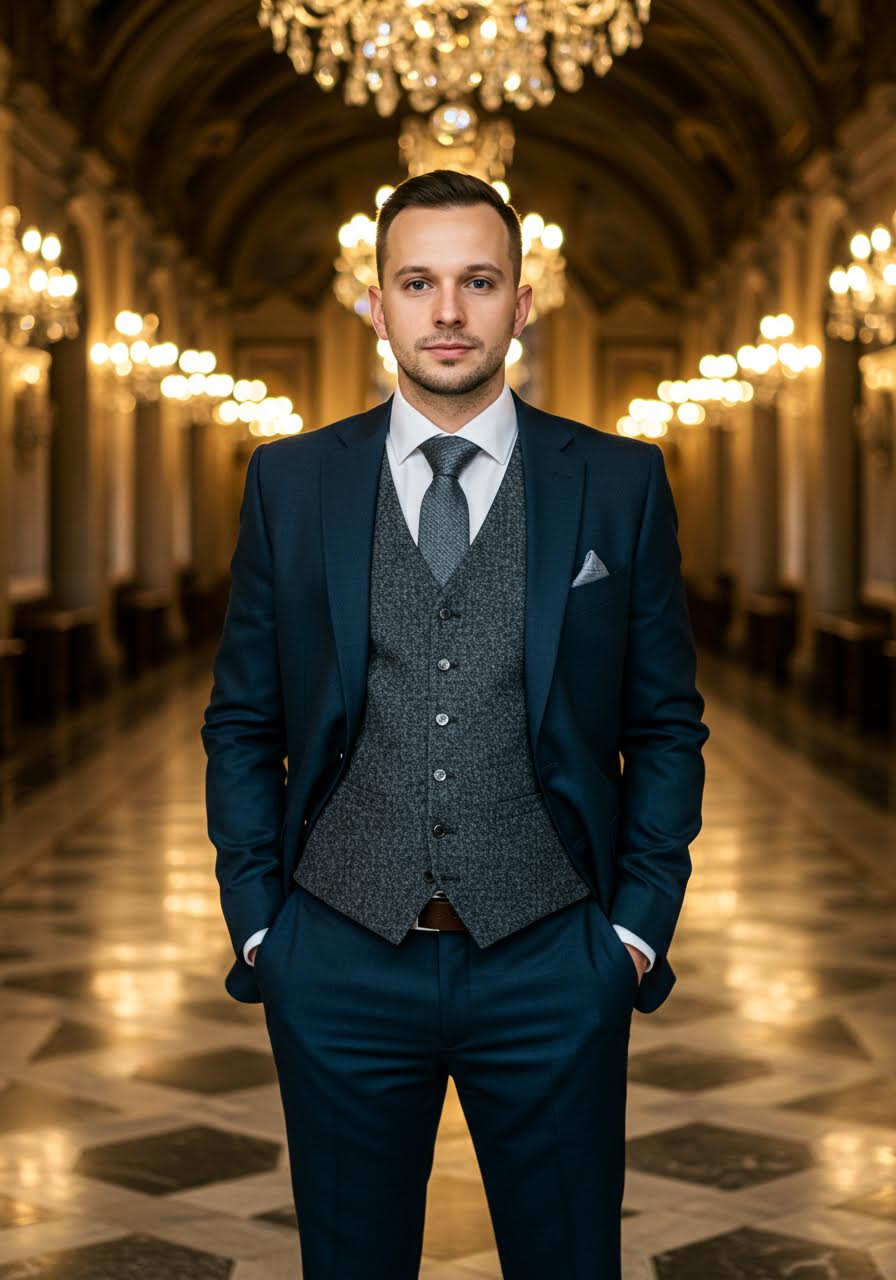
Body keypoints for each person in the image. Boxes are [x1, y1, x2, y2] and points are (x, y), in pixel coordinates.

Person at [201, 168, 709, 1279]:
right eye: (416, 281)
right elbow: (242, 719)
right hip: (335, 957)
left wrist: (629, 933)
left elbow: (664, 722)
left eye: (477, 281)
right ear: (370, 303)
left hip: (555, 959)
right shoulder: (289, 482)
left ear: (522, 302)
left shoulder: (618, 482)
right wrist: (259, 925)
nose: (446, 311)